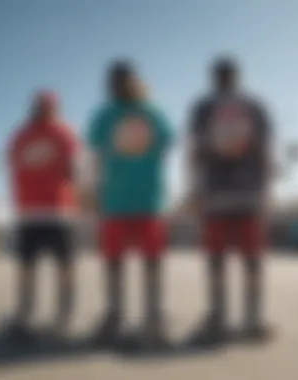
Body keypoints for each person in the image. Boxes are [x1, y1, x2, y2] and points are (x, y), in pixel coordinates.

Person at [84, 60, 174, 348]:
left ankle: (153, 316)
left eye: (124, 81)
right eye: (113, 83)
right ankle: (115, 314)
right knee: (113, 261)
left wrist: (153, 178)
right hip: (114, 200)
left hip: (148, 201)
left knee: (152, 261)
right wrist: (89, 189)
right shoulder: (104, 115)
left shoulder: (153, 112)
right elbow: (93, 154)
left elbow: (167, 145)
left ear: (135, 81)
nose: (118, 87)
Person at [186, 57, 273, 343]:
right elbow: (196, 151)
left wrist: (266, 190)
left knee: (240, 259)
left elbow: (264, 150)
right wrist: (195, 189)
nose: (223, 79)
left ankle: (245, 317)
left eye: (225, 74)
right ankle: (228, 317)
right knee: (226, 259)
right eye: (221, 75)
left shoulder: (249, 107)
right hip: (222, 193)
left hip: (236, 193)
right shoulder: (206, 108)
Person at [6, 90, 79, 336]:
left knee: (64, 265)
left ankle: (64, 314)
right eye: (41, 106)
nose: (44, 110)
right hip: (30, 211)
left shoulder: (62, 133)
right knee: (28, 266)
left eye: (47, 106)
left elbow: (74, 167)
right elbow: (13, 164)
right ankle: (25, 313)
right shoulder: (22, 135)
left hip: (58, 209)